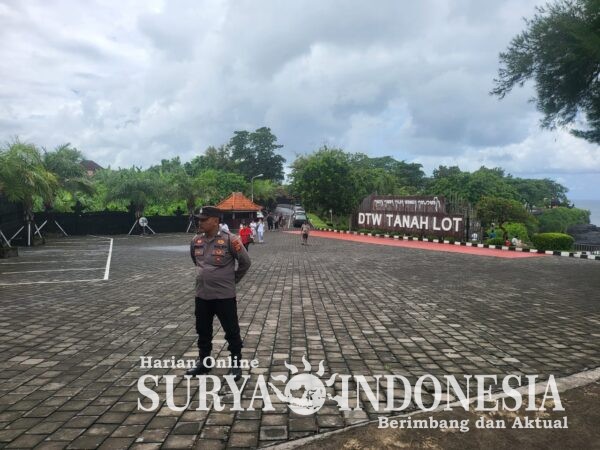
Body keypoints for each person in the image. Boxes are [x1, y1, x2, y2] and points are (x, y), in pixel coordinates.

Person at [186, 206, 251, 381]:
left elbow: (245, 262)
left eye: (204, 219)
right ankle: (204, 363)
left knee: (231, 331)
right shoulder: (196, 240)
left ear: (215, 220)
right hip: (202, 295)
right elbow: (196, 261)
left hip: (224, 296)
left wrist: (232, 279)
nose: (200, 222)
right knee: (203, 330)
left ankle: (236, 365)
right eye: (199, 219)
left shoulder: (231, 240)